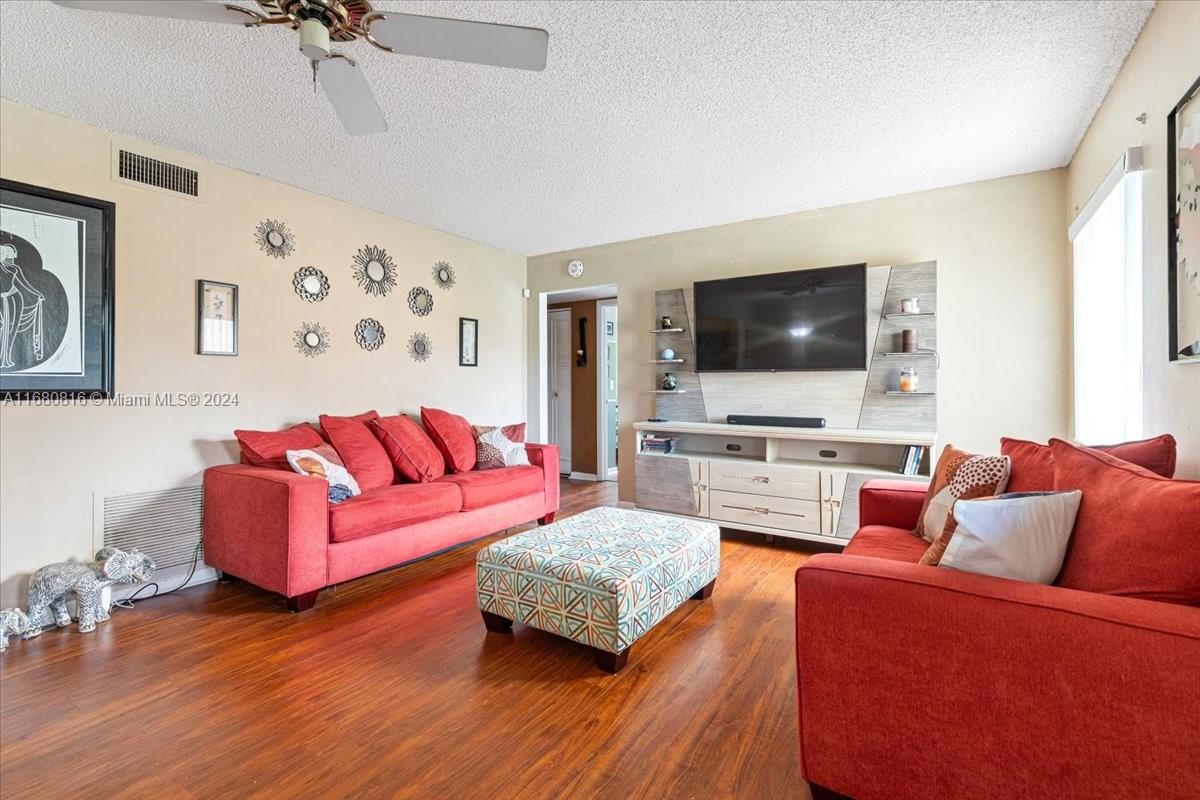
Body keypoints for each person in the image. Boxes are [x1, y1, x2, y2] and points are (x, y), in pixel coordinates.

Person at [0, 242, 45, 369]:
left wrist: (37, 294)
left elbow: (24, 283)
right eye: (7, 254)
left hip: (15, 297)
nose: (11, 257)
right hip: (2, 298)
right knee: (4, 327)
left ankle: (7, 357)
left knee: (12, 328)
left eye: (11, 254)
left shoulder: (15, 268)